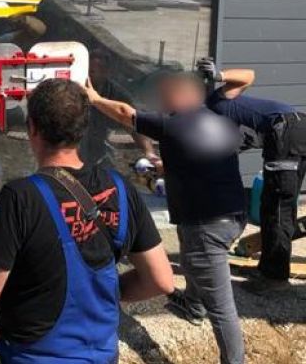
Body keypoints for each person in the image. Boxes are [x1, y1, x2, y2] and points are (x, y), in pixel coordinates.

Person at [0, 79, 173, 364]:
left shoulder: (21, 198)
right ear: (84, 128)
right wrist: (100, 294)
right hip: (101, 355)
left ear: (32, 128)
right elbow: (161, 281)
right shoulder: (119, 187)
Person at [86, 72, 246, 364]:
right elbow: (200, 159)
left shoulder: (173, 124)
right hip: (232, 215)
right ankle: (193, 306)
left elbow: (125, 113)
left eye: (166, 96)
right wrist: (163, 168)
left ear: (181, 96)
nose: (161, 103)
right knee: (192, 255)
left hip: (207, 223)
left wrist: (95, 99)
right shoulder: (218, 121)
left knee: (222, 307)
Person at [198, 58, 306, 285]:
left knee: (277, 208)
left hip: (286, 130)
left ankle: (273, 278)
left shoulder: (215, 103)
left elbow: (248, 75)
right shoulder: (223, 125)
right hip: (295, 131)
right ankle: (270, 269)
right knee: (279, 206)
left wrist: (218, 76)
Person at [79, 49, 158, 169]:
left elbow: (133, 123)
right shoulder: (73, 89)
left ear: (106, 72)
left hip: (98, 154)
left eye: (93, 71)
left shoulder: (116, 94)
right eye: (87, 71)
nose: (88, 76)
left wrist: (149, 152)